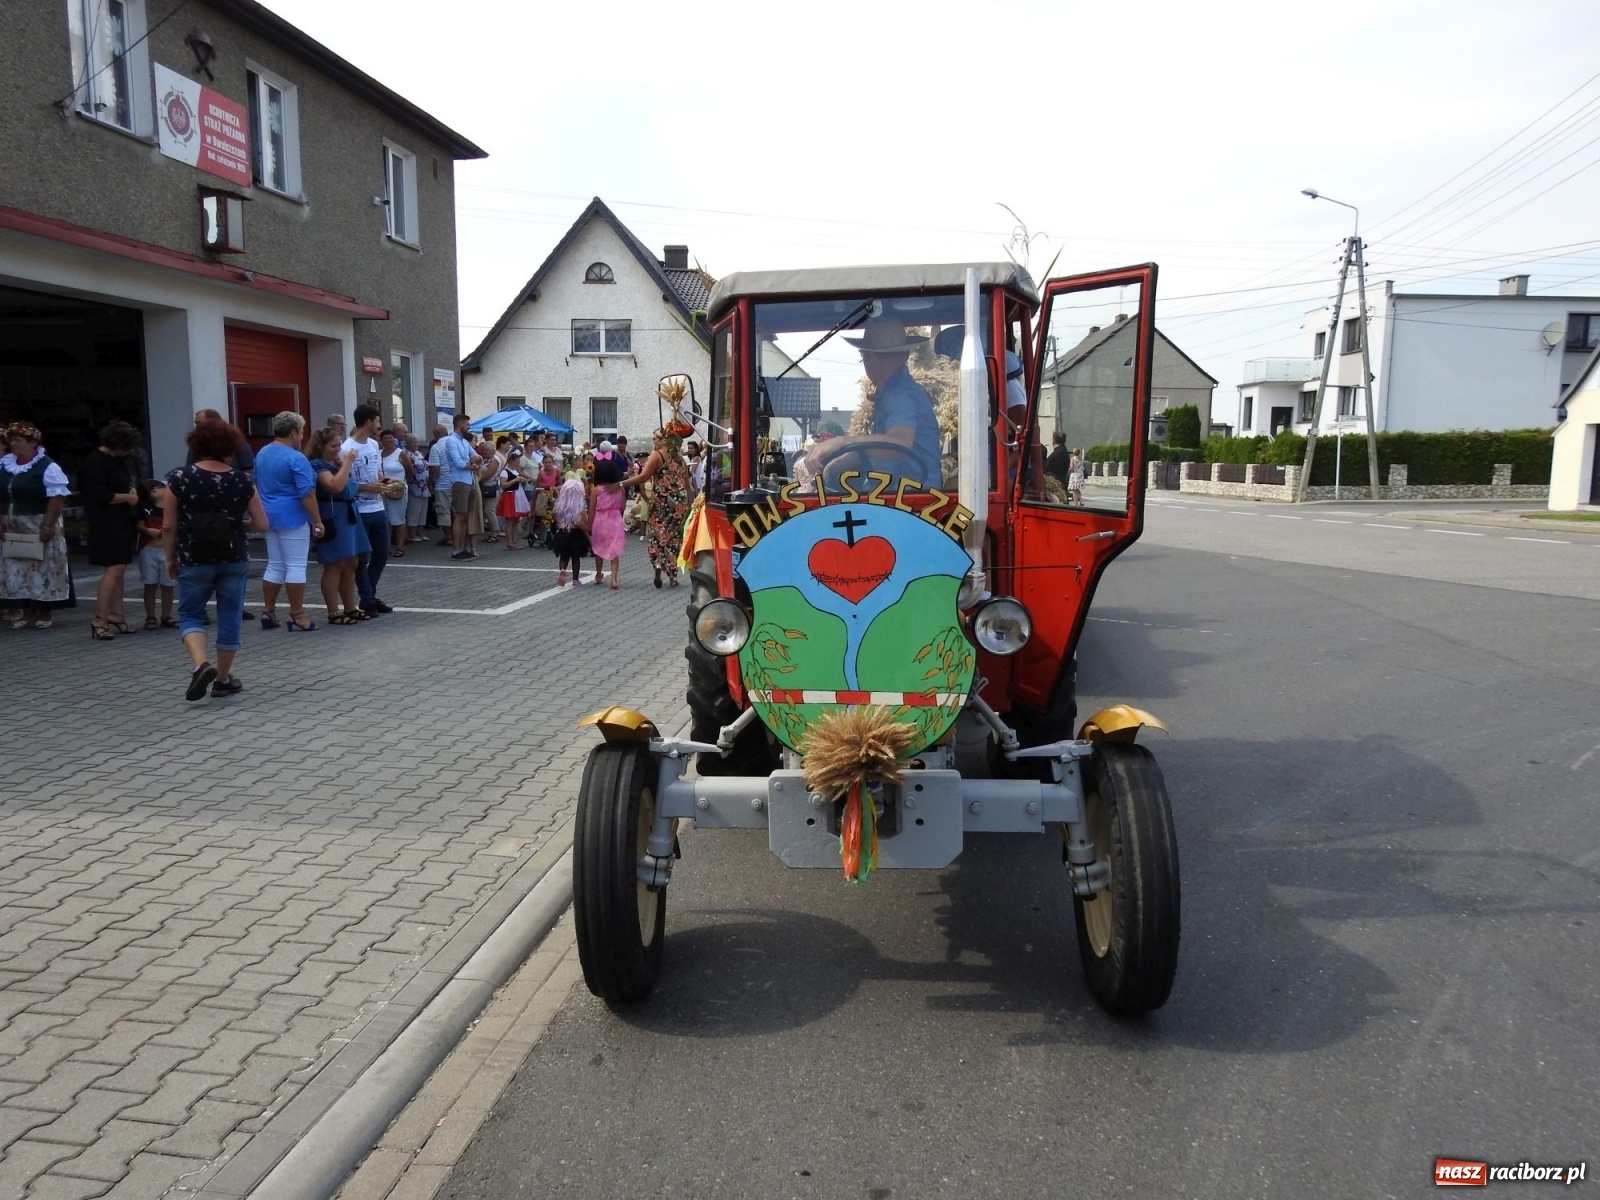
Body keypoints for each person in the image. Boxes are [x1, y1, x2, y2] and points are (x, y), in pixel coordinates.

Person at [163, 419, 266, 700]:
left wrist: (170, 556)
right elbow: (261, 524)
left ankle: (200, 664)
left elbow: (169, 526)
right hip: (233, 555)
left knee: (190, 613)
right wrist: (237, 525)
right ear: (230, 448)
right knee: (230, 615)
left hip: (194, 555)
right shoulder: (243, 481)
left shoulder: (178, 478)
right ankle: (222, 679)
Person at [801, 316, 940, 489]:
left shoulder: (899, 395)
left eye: (864, 354)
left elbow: (900, 443)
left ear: (869, 357)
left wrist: (842, 441)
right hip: (901, 496)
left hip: (911, 501)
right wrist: (836, 465)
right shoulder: (892, 392)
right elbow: (879, 451)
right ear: (905, 355)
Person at [253, 412, 324, 632]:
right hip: (292, 515)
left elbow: (255, 482)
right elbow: (307, 493)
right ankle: (297, 614)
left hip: (268, 514)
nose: (302, 436)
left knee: (275, 564)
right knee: (295, 565)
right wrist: (317, 521)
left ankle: (268, 610)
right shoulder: (296, 457)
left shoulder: (263, 453)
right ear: (293, 432)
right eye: (301, 431)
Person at [0, 422, 73, 630]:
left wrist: (47, 526)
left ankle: (45, 610)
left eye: (19, 440)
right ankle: (26, 609)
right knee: (18, 567)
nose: (13, 444)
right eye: (11, 440)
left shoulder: (47, 466)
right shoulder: (5, 465)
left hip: (39, 522)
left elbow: (57, 497)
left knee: (43, 567)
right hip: (13, 523)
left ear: (32, 443)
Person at [80, 419, 144, 638]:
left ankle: (116, 614)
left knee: (120, 569)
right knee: (114, 568)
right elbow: (100, 495)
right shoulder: (95, 462)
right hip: (106, 522)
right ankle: (99, 618)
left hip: (121, 520)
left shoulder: (116, 460)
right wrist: (129, 497)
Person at [307, 426, 367, 625]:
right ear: (321, 446)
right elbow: (335, 486)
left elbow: (352, 487)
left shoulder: (337, 463)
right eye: (333, 445)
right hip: (332, 514)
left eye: (339, 444)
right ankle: (333, 611)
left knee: (352, 562)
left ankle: (350, 607)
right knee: (335, 563)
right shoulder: (317, 465)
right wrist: (348, 463)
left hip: (349, 514)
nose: (338, 448)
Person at [621, 428, 690, 588]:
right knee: (673, 538)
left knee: (657, 535)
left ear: (664, 440)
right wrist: (689, 504)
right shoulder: (680, 458)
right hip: (678, 503)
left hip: (661, 501)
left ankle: (658, 564)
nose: (654, 441)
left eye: (656, 438)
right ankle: (672, 576)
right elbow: (686, 484)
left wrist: (620, 483)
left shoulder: (657, 455)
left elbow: (643, 476)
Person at [344, 404, 392, 616]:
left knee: (381, 553)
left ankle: (369, 594)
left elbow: (377, 472)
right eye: (377, 421)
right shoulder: (347, 448)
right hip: (360, 508)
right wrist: (367, 487)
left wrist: (386, 482)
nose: (379, 425)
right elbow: (345, 483)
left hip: (377, 506)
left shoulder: (373, 445)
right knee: (362, 557)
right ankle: (367, 598)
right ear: (369, 421)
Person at [136, 479, 176, 629]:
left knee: (168, 585)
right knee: (150, 584)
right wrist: (148, 531)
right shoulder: (145, 508)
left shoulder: (173, 507)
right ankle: (150, 616)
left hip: (168, 550)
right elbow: (139, 526)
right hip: (149, 549)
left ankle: (167, 615)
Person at [586, 444, 627, 589]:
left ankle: (598, 574)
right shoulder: (619, 489)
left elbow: (591, 510)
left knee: (599, 549)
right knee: (614, 551)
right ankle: (614, 579)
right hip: (615, 519)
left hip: (600, 520)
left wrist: (589, 525)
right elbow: (622, 507)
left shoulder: (596, 490)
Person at [443, 414, 478, 560]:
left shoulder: (464, 442)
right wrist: (472, 465)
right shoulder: (451, 441)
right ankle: (456, 550)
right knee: (459, 515)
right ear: (460, 424)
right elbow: (458, 462)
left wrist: (475, 460)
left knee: (465, 516)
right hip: (459, 481)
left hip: (469, 481)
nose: (468, 426)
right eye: (467, 424)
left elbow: (476, 455)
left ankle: (463, 547)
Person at [550, 477, 590, 587]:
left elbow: (557, 519)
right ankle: (575, 579)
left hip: (563, 532)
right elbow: (585, 521)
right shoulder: (580, 506)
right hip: (576, 534)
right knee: (575, 558)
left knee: (564, 556)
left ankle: (562, 569)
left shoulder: (560, 505)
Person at [379, 428, 409, 557]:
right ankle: (385, 547)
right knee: (384, 519)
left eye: (391, 437)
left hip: (398, 489)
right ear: (381, 441)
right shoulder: (378, 453)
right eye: (386, 438)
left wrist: (401, 484)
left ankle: (400, 547)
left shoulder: (400, 453)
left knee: (398, 519)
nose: (389, 440)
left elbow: (409, 469)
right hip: (382, 489)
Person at [494, 446, 529, 549]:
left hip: (518, 495)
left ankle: (515, 540)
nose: (518, 464)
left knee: (516, 520)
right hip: (510, 496)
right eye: (517, 462)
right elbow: (503, 485)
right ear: (512, 461)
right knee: (510, 520)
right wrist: (515, 480)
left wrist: (523, 480)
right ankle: (510, 542)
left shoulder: (515, 472)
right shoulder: (505, 472)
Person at [426, 422, 452, 545]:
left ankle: (448, 536)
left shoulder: (436, 447)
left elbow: (434, 468)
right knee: (457, 511)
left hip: (443, 484)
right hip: (458, 483)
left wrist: (430, 483)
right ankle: (459, 535)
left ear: (437, 434)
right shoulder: (457, 443)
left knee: (444, 511)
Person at [404, 435, 431, 544]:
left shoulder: (419, 453)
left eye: (417, 442)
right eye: (413, 442)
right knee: (414, 511)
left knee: (422, 511)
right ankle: (412, 534)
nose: (416, 444)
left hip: (424, 486)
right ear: (408, 443)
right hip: (414, 486)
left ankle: (420, 532)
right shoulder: (406, 454)